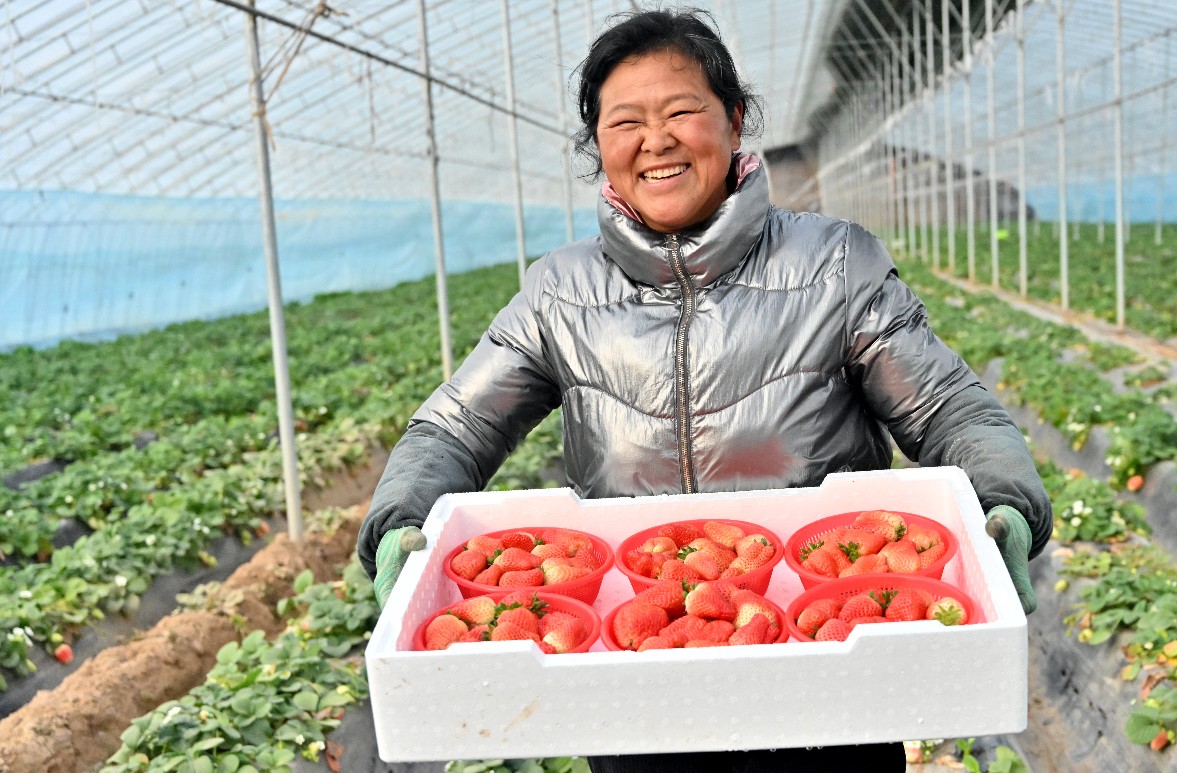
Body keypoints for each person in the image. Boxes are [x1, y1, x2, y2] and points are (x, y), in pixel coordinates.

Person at [358, 8, 1050, 773]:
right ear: (599, 148)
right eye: (625, 122)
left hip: (822, 669)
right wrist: (403, 520)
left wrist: (1002, 499)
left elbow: (948, 405)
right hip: (635, 673)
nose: (655, 140)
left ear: (735, 119)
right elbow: (456, 428)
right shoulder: (560, 292)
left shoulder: (834, 266)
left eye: (681, 111)